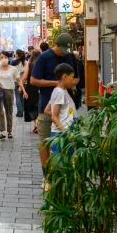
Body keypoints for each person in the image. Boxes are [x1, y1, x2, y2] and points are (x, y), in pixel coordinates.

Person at [31, 33, 74, 171]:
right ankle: (47, 175)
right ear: (55, 44)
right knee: (44, 142)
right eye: (62, 49)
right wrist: (56, 83)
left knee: (65, 143)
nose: (64, 53)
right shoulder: (44, 57)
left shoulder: (70, 57)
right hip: (45, 102)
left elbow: (76, 78)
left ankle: (61, 174)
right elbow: (33, 80)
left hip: (66, 111)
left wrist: (69, 84)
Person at [0, 50, 20, 139]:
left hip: (9, 91)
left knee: (9, 111)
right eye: (2, 57)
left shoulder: (13, 69)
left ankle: (9, 131)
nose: (3, 59)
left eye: (5, 57)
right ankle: (2, 132)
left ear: (9, 58)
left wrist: (23, 90)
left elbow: (18, 80)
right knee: (0, 111)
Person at [12, 49, 27, 117]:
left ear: (17, 54)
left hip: (16, 82)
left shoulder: (14, 63)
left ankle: (20, 112)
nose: (15, 54)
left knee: (17, 96)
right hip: (24, 82)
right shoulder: (26, 62)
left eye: (16, 53)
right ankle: (23, 110)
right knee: (22, 96)